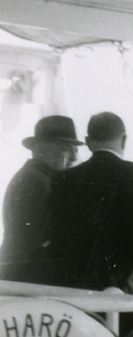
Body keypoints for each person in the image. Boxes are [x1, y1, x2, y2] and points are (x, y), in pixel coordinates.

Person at [43, 111, 133, 297]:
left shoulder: (62, 179)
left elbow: (52, 235)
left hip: (71, 288)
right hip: (118, 290)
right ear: (123, 140)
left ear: (88, 141)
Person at [0, 114, 82, 282]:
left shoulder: (37, 178)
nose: (74, 158)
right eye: (66, 149)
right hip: (31, 281)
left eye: (75, 150)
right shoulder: (35, 181)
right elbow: (21, 243)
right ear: (41, 151)